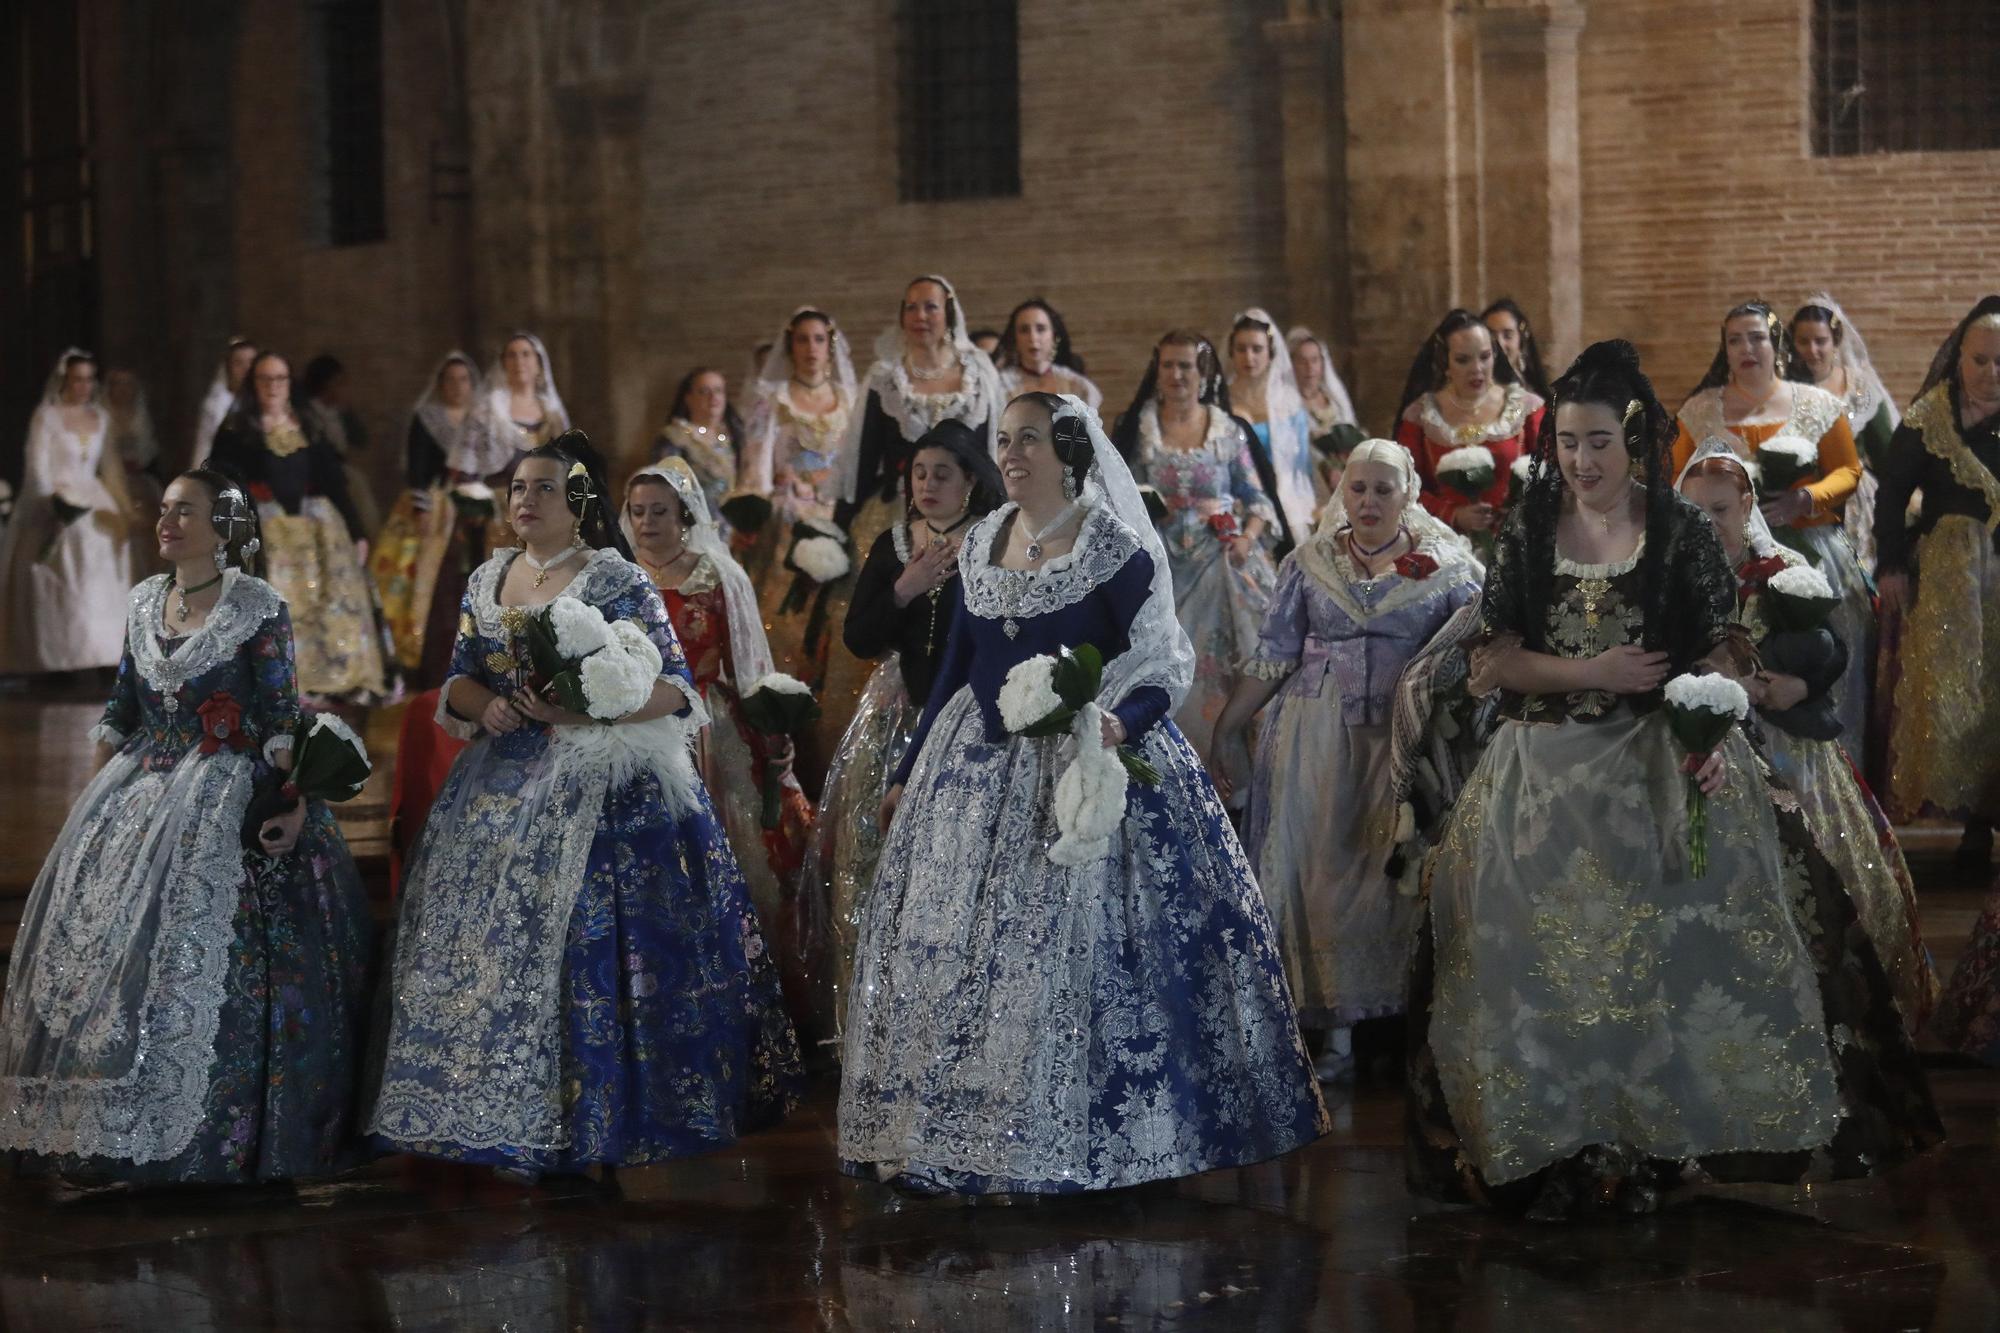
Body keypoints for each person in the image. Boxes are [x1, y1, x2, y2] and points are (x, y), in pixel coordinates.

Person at [1406, 340, 1938, 1218]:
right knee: (1537, 958)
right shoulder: (1531, 529)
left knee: (1657, 955)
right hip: (1542, 777)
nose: (1583, 461)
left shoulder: (1682, 528)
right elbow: (1494, 661)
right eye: (1569, 442)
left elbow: (1725, 642)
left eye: (1600, 443)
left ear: (1636, 438)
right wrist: (1592, 672)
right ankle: (1558, 1135)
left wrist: (1709, 717)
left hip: (1655, 767)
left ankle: (1655, 1137)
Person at [838, 391, 1327, 1196]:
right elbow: (958, 666)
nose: (1012, 454)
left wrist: (1114, 726)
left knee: (1085, 956)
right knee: (975, 956)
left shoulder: (1114, 547)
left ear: (1069, 450)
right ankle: (968, 1135)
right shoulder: (982, 541)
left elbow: (1163, 664)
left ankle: (1096, 1136)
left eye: (1028, 439)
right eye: (1004, 441)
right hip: (975, 769)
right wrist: (906, 770)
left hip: (1088, 761)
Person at [371, 438, 802, 1178]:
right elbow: (459, 680)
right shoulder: (487, 578)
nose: (524, 501)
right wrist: (492, 708)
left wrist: (597, 706)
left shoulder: (615, 578)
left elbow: (676, 689)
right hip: (499, 787)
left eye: (542, 487)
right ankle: (498, 1107)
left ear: (576, 501)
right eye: (516, 487)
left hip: (602, 783)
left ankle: (600, 1112)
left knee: (591, 944)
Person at [0, 470, 372, 1187]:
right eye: (165, 509)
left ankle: (214, 1136)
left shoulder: (257, 606)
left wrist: (293, 797)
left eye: (186, 510)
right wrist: (98, 805)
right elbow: (121, 703)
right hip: (140, 788)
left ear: (223, 525)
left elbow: (276, 715)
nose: (168, 521)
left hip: (226, 790)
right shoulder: (144, 599)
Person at [1209, 440, 1479, 1082]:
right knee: (1316, 868)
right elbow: (1274, 651)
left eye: (1383, 489)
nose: (1368, 502)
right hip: (1315, 738)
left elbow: (1478, 656)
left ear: (1407, 494)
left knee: (1391, 872)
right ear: (1342, 492)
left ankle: (1405, 1029)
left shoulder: (1448, 568)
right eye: (1358, 488)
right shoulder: (1309, 564)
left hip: (1400, 739)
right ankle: (1329, 1032)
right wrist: (1229, 724)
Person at [1677, 439, 1935, 1029]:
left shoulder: (1786, 570)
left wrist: (1797, 685)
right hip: (1716, 750)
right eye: (1695, 513)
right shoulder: (1673, 579)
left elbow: (1833, 649)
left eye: (1719, 511)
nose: (1707, 525)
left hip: (1788, 744)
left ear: (1747, 506)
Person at [803, 418, 1003, 1037]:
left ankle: (960, 1017)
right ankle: (868, 1018)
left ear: (970, 480)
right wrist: (903, 589)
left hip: (968, 717)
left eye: (943, 473)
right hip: (894, 713)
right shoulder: (893, 544)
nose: (928, 484)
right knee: (870, 853)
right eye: (919, 473)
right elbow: (859, 637)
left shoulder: (995, 539)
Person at [622, 459, 815, 1021]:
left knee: (729, 846)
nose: (647, 522)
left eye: (660, 511)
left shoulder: (717, 573)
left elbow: (750, 664)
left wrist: (771, 731)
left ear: (685, 515)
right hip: (635, 726)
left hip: (708, 723)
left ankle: (740, 989)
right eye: (638, 511)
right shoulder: (619, 576)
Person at [1670, 300, 1873, 749]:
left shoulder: (1818, 404)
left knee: (1819, 652)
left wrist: (1809, 497)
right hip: (1720, 550)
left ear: (1775, 344)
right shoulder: (1701, 410)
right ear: (1724, 349)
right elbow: (1675, 482)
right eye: (1735, 339)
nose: (1747, 348)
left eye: (1757, 337)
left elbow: (1849, 470)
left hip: (1808, 548)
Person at [1111, 331, 1282, 764]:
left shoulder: (1228, 430)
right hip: (1159, 564)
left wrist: (1247, 536)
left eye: (1186, 365)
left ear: (1203, 372)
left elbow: (1257, 498)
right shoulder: (1139, 427)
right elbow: (1118, 496)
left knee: (1230, 666)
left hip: (1221, 560)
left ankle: (1233, 771)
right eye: (1168, 365)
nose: (1176, 374)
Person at [1874, 295, 2000, 872]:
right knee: (1956, 695)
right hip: (1950, 580)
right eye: (1981, 360)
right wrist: (1892, 565)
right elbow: (1891, 492)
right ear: (1959, 359)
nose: (1991, 373)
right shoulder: (1930, 416)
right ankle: (1960, 815)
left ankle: (1986, 820)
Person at [209, 351, 385, 701]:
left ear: (290, 384)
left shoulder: (308, 426)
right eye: (265, 379)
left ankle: (331, 676)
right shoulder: (236, 431)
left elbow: (334, 483)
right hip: (266, 533)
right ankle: (274, 676)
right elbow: (221, 483)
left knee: (328, 605)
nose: (273, 386)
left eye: (280, 379)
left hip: (317, 530)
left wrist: (356, 531)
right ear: (253, 384)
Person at [415, 331, 576, 687]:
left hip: (550, 516)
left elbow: (568, 464)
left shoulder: (551, 410)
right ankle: (496, 667)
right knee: (501, 591)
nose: (520, 362)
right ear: (503, 364)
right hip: (500, 516)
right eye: (513, 355)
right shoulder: (488, 409)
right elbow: (464, 468)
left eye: (527, 355)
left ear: (538, 364)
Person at [739, 308, 859, 689]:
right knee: (787, 618)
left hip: (840, 516)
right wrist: (759, 507)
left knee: (839, 611)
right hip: (789, 518)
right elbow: (755, 467)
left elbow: (856, 462)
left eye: (819, 339)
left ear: (831, 345)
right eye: (802, 339)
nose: (811, 347)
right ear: (790, 346)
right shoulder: (771, 399)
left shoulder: (849, 398)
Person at [0, 349, 135, 674]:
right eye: (78, 379)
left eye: (89, 379)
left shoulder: (100, 417)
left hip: (94, 494)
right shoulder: (47, 416)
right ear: (65, 380)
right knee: (70, 554)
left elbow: (106, 465)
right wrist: (52, 501)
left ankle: (103, 651)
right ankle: (65, 654)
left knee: (105, 548)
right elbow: (38, 466)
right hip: (58, 495)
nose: (84, 386)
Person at [368, 352, 480, 674]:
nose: (457, 386)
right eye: (450, 380)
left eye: (463, 380)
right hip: (435, 510)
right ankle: (430, 659)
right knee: (433, 582)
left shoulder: (482, 418)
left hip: (477, 508)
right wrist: (423, 509)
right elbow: (417, 469)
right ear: (441, 384)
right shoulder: (428, 418)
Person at [1395, 309, 1546, 542]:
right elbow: (1404, 489)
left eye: (1484, 357)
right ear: (1445, 363)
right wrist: (1453, 514)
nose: (1477, 369)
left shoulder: (1526, 408)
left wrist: (1521, 510)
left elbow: (1552, 475)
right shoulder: (1421, 417)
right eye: (1463, 360)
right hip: (1443, 545)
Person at [1790, 294, 1900, 572]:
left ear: (1835, 341)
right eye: (1803, 341)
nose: (1812, 350)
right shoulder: (1785, 388)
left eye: (1820, 341)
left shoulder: (1858, 387)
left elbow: (1885, 451)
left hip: (1854, 499)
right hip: (1802, 497)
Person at [1227, 308, 1317, 542]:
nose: (1249, 357)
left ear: (1270, 352)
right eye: (1241, 349)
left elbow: (1301, 466)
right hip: (1237, 500)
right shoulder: (1221, 401)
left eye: (1256, 349)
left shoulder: (1287, 402)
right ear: (1231, 352)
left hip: (1285, 497)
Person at [301, 354, 381, 537]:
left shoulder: (340, 412)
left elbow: (361, 440)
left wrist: (349, 412)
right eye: (339, 383)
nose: (343, 388)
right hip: (320, 473)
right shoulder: (309, 412)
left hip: (342, 470)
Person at [652, 367, 743, 516]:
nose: (713, 397)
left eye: (718, 391)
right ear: (688, 398)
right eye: (704, 391)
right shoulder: (675, 438)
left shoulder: (734, 434)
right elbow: (667, 488)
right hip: (696, 521)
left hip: (736, 523)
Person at [1285, 326, 1360, 500]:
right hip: (1309, 477)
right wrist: (1326, 467)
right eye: (1302, 361)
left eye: (1314, 360)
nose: (1309, 367)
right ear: (1292, 364)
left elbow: (1351, 430)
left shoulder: (1334, 398)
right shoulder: (1288, 404)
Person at [104, 366, 165, 580]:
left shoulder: (140, 416)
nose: (123, 389)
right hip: (109, 483)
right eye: (117, 384)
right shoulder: (102, 417)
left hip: (141, 481)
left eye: (128, 384)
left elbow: (149, 456)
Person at [994, 297, 1102, 410]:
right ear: (1014, 338)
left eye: (1041, 329)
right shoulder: (1001, 386)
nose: (1033, 337)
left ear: (1054, 336)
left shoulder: (1077, 384)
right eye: (1024, 330)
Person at [191, 336, 256, 468]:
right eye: (239, 363)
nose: (247, 369)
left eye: (251, 362)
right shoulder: (216, 405)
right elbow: (204, 446)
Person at [1479, 298, 1552, 400]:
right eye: (1491, 336)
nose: (1499, 343)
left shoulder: (1536, 398)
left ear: (1521, 341)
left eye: (1507, 335)